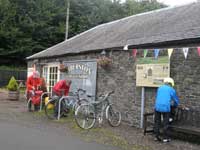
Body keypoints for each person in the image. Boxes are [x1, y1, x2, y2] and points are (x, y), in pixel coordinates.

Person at [154, 77, 179, 143]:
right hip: (166, 108)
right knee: (166, 123)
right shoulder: (171, 89)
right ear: (171, 84)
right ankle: (165, 138)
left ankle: (156, 136)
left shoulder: (159, 88)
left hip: (157, 107)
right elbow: (175, 100)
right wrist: (176, 105)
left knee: (157, 122)